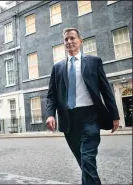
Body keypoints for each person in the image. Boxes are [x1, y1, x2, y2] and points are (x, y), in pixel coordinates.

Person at [46, 28, 120, 185]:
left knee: (87, 160)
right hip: (69, 121)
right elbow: (51, 94)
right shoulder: (57, 67)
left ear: (80, 41)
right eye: (66, 39)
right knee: (84, 163)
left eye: (72, 38)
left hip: (90, 118)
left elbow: (106, 90)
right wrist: (50, 114)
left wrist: (115, 115)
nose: (69, 42)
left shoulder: (94, 62)